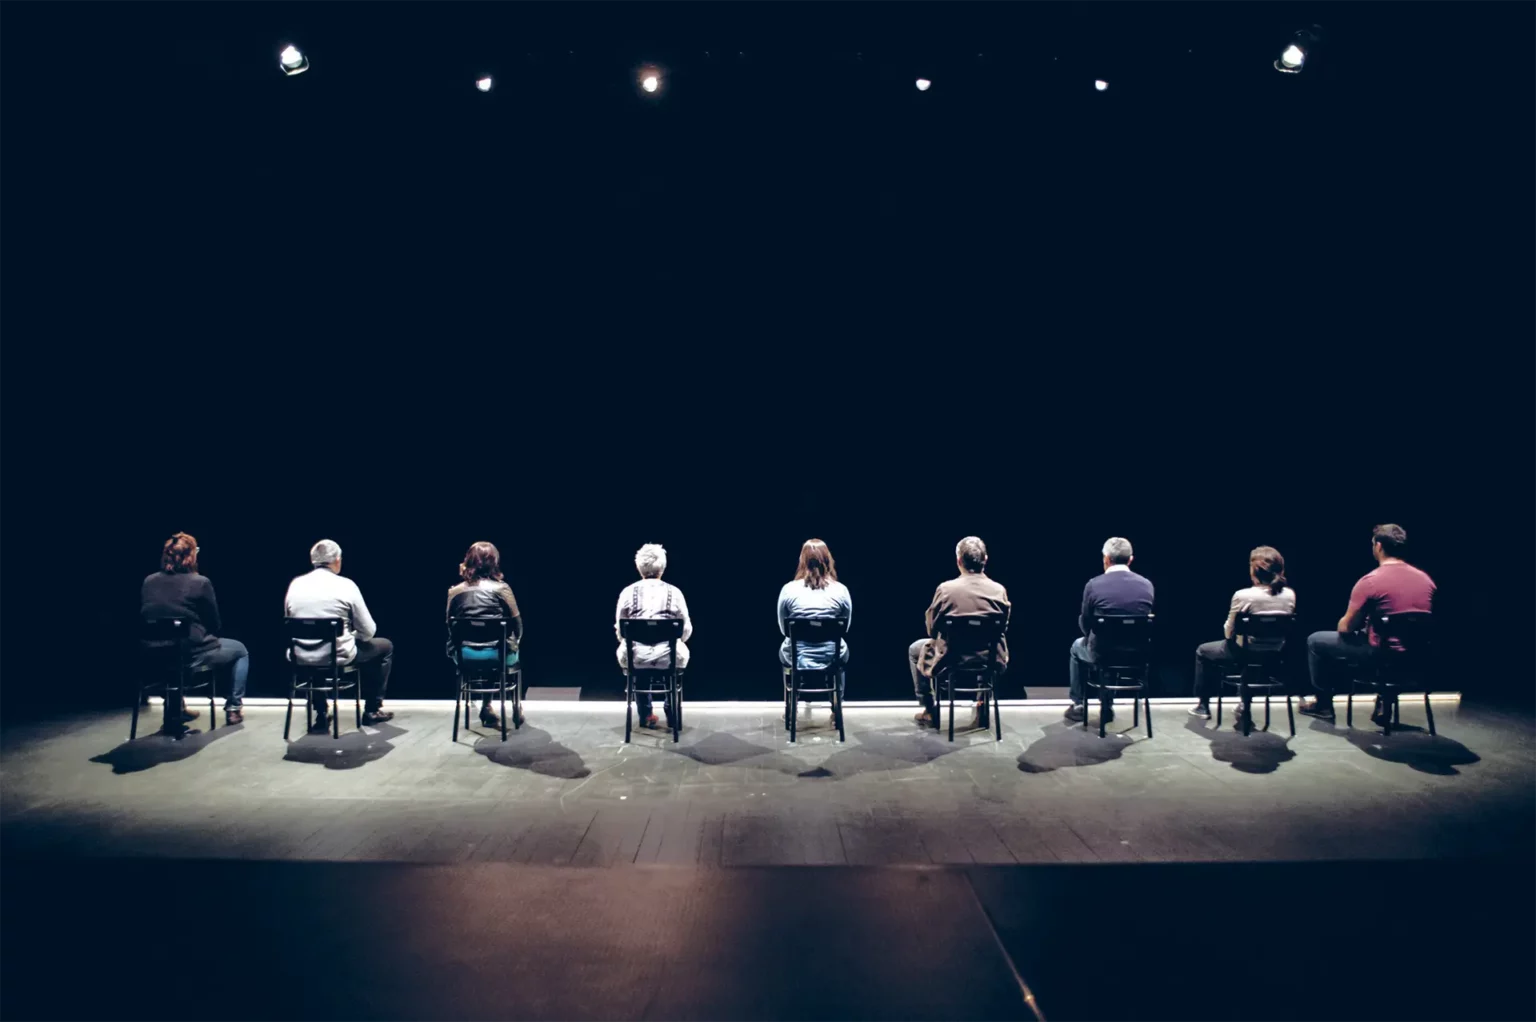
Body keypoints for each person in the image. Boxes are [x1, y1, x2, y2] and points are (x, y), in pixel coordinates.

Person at [1300, 524, 1435, 725]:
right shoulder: (1426, 581)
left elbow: (1345, 628)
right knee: (1390, 643)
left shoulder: (1371, 581)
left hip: (1379, 654)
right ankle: (1385, 701)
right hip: (1416, 656)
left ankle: (1323, 705)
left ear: (1378, 546)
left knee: (1316, 641)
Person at [139, 531, 251, 728]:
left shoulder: (149, 581)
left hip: (152, 656)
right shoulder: (200, 582)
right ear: (191, 555)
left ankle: (174, 709)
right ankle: (233, 708)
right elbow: (215, 624)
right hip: (190, 655)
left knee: (172, 652)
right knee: (240, 650)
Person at [284, 539, 394, 731]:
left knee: (316, 656)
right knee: (385, 647)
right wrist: (352, 635)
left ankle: (320, 711)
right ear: (336, 560)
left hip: (299, 656)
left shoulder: (295, 585)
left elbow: (289, 619)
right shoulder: (346, 586)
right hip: (337, 656)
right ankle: (372, 709)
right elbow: (369, 631)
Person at [907, 536, 1011, 729]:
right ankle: (982, 705)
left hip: (950, 659)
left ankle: (929, 709)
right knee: (989, 645)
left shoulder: (946, 590)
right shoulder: (999, 591)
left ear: (958, 561)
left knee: (915, 649)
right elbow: (1002, 628)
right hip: (989, 659)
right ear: (985, 560)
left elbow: (931, 629)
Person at [1191, 546, 1297, 726]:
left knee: (1204, 651)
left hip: (1244, 652)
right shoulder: (1290, 595)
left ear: (1253, 571)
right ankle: (1244, 704)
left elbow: (1228, 631)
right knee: (1253, 653)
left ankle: (1203, 705)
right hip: (1275, 652)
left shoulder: (1243, 595)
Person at [1065, 537, 1155, 724]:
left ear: (1106, 559)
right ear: (1130, 560)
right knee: (1115, 642)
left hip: (1103, 653)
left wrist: (1091, 636)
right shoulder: (1147, 585)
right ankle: (1107, 706)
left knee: (1079, 647)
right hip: (1137, 656)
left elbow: (1086, 622)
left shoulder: (1094, 585)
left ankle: (1079, 704)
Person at [447, 541, 524, 729]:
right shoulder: (502, 589)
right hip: (499, 654)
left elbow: (450, 626)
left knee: (488, 650)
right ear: (494, 563)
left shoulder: (454, 591)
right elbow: (518, 626)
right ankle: (515, 706)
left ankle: (487, 706)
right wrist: (516, 641)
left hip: (464, 656)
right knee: (502, 650)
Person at [615, 543, 692, 730]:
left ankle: (645, 714)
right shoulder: (674, 593)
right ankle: (672, 714)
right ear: (662, 567)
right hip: (668, 657)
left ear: (639, 567)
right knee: (672, 655)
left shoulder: (627, 592)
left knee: (637, 656)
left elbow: (620, 631)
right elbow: (686, 630)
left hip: (636, 658)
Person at [778, 539, 852, 717]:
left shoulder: (788, 590)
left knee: (785, 650)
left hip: (797, 655)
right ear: (828, 560)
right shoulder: (841, 590)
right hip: (832, 654)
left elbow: (783, 629)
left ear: (802, 561)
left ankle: (791, 706)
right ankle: (837, 707)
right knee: (842, 653)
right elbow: (845, 628)